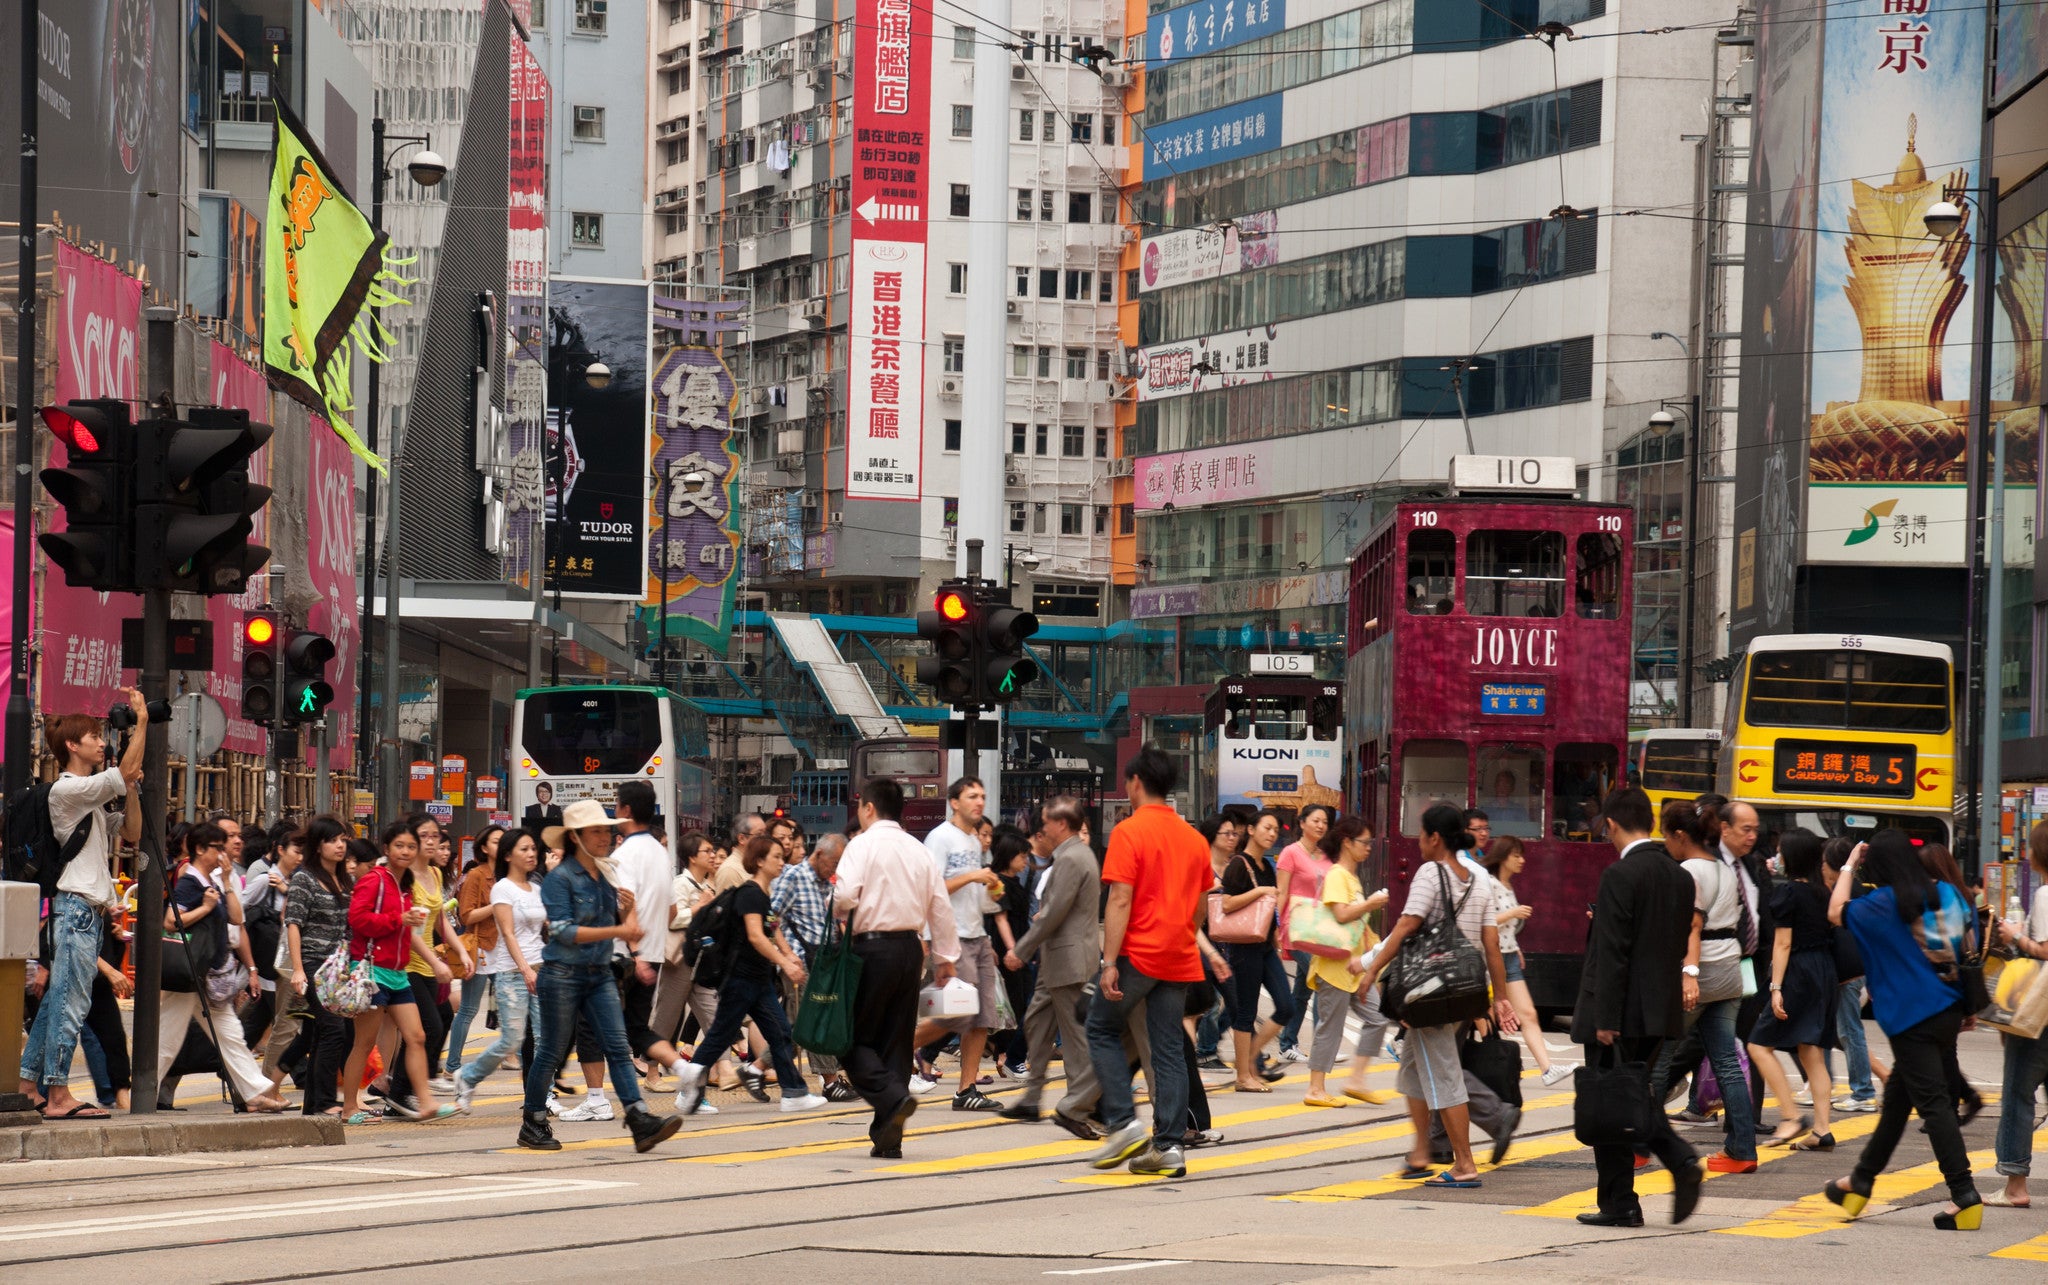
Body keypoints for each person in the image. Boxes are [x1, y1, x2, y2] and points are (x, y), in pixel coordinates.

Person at [1821, 829, 1982, 1230]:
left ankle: (1964, 1195)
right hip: (1948, 1007)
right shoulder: (1946, 893)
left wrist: (1848, 865)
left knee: (1934, 1105)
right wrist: (1967, 1005)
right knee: (1896, 1102)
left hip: (1911, 1017)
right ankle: (1860, 1182)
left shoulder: (1880, 903)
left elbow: (1835, 910)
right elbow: (1967, 947)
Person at [1356, 803, 1519, 1190]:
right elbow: (1491, 944)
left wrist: (1373, 969)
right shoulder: (1478, 879)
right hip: (1462, 989)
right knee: (1413, 1068)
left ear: (1434, 838)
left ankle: (1464, 1164)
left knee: (1443, 1075)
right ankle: (1421, 1152)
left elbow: (1405, 927)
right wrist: (1500, 997)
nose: (1417, 841)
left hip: (1429, 994)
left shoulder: (1430, 873)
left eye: (1421, 834)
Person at [1568, 786, 1703, 1228]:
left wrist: (1605, 1018)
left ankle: (1632, 1194)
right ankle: (1632, 1194)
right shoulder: (1679, 876)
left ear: (1610, 824)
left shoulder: (1619, 876)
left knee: (1610, 1107)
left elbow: (1614, 952)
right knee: (1633, 1101)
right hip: (1657, 1011)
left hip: (1618, 1012)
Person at [518, 799, 684, 1152]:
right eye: (597, 831)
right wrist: (620, 931)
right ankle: (533, 1121)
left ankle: (639, 1119)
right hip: (562, 974)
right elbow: (562, 931)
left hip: (600, 974)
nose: (606, 836)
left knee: (618, 1049)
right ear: (576, 837)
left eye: (608, 830)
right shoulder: (559, 879)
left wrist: (628, 915)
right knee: (550, 1051)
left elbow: (626, 923)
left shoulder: (608, 873)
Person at [1083, 748, 1211, 1179]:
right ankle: (1169, 1146)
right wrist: (1183, 936)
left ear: (1136, 782)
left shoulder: (1130, 831)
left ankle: (1121, 1123)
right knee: (1169, 1049)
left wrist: (1109, 961)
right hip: (1179, 955)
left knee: (1100, 1028)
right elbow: (1200, 906)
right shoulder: (1194, 838)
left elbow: (1119, 897)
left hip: (1140, 952)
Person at [17, 694, 145, 1119]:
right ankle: (57, 1095)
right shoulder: (68, 792)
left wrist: (130, 788)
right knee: (71, 1006)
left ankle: (26, 1085)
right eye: (94, 737)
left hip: (84, 911)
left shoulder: (88, 801)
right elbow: (122, 769)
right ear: (72, 746)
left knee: (58, 1002)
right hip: (73, 910)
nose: (100, 742)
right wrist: (141, 723)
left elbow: (131, 830)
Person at [831, 779, 960, 1159]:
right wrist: (945, 958)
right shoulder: (917, 849)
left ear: (869, 808)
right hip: (910, 949)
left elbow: (845, 894)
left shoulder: (862, 845)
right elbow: (940, 905)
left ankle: (893, 1097)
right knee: (896, 1042)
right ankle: (889, 1134)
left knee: (851, 1039)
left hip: (871, 949)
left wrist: (838, 907)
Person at [673, 835, 827, 1115]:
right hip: (740, 980)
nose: (782, 862)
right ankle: (687, 1088)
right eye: (776, 857)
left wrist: (787, 952)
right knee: (721, 1035)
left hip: (757, 980)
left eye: (783, 856)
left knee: (781, 1033)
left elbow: (772, 926)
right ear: (759, 861)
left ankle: (794, 1092)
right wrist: (786, 962)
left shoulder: (762, 894)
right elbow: (756, 936)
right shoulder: (750, 893)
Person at [1656, 798, 1762, 1173]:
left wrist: (1689, 973)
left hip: (1701, 970)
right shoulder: (1724, 869)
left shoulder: (1689, 870)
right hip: (1731, 968)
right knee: (1727, 1064)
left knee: (1660, 1057)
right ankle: (1741, 1151)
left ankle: (1638, 1145)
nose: (1666, 842)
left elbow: (1693, 925)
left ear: (1681, 835)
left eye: (1667, 835)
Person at [157, 821, 288, 1113]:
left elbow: (236, 918)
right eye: (217, 846)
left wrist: (228, 882)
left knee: (231, 1037)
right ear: (201, 850)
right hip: (193, 973)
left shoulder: (212, 881)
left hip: (209, 976)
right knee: (169, 1038)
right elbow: (170, 920)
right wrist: (204, 908)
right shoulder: (191, 881)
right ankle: (140, 1090)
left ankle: (255, 1092)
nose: (223, 851)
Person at [1000, 795, 1103, 1138]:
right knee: (1036, 1025)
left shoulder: (1073, 858)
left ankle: (1081, 1108)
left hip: (1068, 960)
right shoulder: (1068, 856)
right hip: (1055, 960)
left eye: (1045, 824)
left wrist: (1020, 949)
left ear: (1061, 824)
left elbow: (1055, 912)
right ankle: (1032, 1097)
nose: (1041, 830)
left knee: (1075, 1042)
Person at [341, 820, 453, 1124]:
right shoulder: (375, 879)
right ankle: (350, 1106)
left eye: (410, 847)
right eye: (399, 846)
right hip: (373, 971)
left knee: (416, 1036)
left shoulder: (405, 885)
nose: (406, 851)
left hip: (398, 972)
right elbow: (358, 920)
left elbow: (410, 930)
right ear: (387, 849)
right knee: (364, 1043)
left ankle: (426, 1101)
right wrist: (397, 919)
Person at [1746, 829, 1838, 1150]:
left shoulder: (1788, 894)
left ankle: (1790, 1116)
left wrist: (1775, 987)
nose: (1777, 858)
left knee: (1758, 1045)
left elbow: (1783, 944)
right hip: (1824, 971)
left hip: (1798, 972)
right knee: (1811, 1051)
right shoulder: (1823, 892)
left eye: (1782, 853)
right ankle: (1822, 1130)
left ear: (1792, 857)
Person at [918, 776, 1006, 1111]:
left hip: (977, 935)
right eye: (972, 796)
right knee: (955, 1015)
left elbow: (976, 896)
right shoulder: (940, 837)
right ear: (954, 802)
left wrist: (991, 890)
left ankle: (966, 1089)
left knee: (982, 1018)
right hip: (951, 937)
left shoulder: (973, 840)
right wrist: (973, 876)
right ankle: (898, 1051)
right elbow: (932, 888)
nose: (979, 802)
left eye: (982, 796)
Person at [452, 830, 546, 1112]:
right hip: (512, 972)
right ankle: (467, 1077)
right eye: (524, 849)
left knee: (544, 1039)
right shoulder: (502, 888)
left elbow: (547, 926)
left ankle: (542, 1099)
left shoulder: (538, 889)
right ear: (508, 855)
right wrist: (525, 970)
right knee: (512, 1040)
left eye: (533, 849)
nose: (531, 854)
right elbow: (508, 933)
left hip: (542, 967)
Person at [1302, 816, 1392, 1107]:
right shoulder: (1337, 875)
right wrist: (1370, 904)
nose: (1368, 847)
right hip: (1334, 967)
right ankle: (1315, 1088)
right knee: (1331, 1027)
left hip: (1355, 968)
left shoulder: (1351, 878)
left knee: (1377, 1019)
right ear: (1347, 843)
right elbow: (1341, 914)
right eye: (1364, 842)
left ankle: (1356, 1080)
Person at [384, 815, 469, 1112]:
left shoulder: (433, 874)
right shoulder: (404, 877)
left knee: (439, 1021)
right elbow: (409, 928)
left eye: (436, 835)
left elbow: (439, 919)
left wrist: (461, 950)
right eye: (425, 835)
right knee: (427, 1028)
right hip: (407, 963)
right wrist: (436, 962)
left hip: (428, 963)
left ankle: (401, 1090)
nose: (433, 841)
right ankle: (399, 1093)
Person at [610, 780, 691, 1090]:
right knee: (636, 1028)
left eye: (617, 804)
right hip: (654, 954)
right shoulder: (660, 853)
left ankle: (599, 1096)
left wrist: (635, 951)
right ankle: (680, 1069)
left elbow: (624, 903)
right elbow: (671, 911)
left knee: (599, 1027)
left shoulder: (627, 853)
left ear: (626, 810)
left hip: (627, 956)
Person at [1990, 818, 2048, 1208]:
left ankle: (2015, 1186)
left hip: (2041, 1010)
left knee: (2017, 1092)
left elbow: (2045, 949)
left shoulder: (2046, 894)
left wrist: (2014, 936)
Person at [1211, 812, 1291, 1092]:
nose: (1272, 833)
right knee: (1246, 1013)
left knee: (1286, 1005)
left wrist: (1276, 931)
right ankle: (1244, 1076)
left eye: (1275, 829)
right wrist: (1260, 892)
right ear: (1252, 830)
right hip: (1243, 947)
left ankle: (1249, 1060)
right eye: (1266, 828)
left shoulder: (1267, 865)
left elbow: (1271, 905)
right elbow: (1227, 904)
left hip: (1265, 946)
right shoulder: (1238, 864)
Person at [1483, 837, 1572, 1087]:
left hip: (1509, 957)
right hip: (1490, 959)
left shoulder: (1507, 885)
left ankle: (1548, 1069)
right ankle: (1482, 1069)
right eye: (1516, 856)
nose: (1522, 861)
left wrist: (1517, 948)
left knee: (1529, 1014)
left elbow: (1507, 929)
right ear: (1503, 857)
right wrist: (1513, 913)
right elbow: (1483, 921)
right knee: (1485, 1018)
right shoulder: (1488, 883)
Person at [285, 816, 354, 1115]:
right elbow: (293, 924)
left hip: (338, 969)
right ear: (318, 845)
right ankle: (325, 1101)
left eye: (342, 840)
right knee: (333, 1031)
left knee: (319, 1033)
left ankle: (313, 1106)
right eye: (332, 840)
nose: (340, 846)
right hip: (314, 965)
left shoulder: (344, 879)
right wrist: (298, 969)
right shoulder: (304, 878)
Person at [773, 830, 849, 1095]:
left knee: (798, 1025)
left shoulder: (827, 883)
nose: (835, 869)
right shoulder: (794, 876)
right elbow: (772, 917)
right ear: (818, 854)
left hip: (824, 961)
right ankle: (830, 1082)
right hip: (799, 960)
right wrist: (786, 955)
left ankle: (755, 1068)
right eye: (834, 863)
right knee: (815, 1019)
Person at [1823, 836, 1882, 1114]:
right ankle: (1832, 1086)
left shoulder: (1844, 891)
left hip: (1848, 972)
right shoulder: (1858, 889)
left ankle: (1863, 1092)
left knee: (1849, 1031)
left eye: (1824, 862)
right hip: (1855, 969)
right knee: (1842, 1030)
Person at [1272, 804, 1333, 1062]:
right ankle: (1322, 1045)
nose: (1321, 825)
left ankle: (1288, 1043)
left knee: (1302, 990)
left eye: (1325, 822)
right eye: (1316, 820)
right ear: (1303, 822)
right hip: (1295, 927)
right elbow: (1281, 891)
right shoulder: (1290, 853)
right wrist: (1276, 925)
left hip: (1319, 930)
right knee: (1321, 980)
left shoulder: (1327, 855)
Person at [446, 826, 507, 1075]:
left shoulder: (509, 875)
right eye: (496, 841)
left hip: (505, 949)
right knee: (469, 1009)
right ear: (484, 848)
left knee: (513, 1007)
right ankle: (452, 1066)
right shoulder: (477, 876)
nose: (502, 846)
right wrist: (497, 904)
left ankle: (517, 1058)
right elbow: (467, 914)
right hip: (482, 948)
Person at [984, 827, 1036, 1080]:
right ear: (1009, 856)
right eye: (1022, 857)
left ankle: (1005, 1055)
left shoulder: (1015, 881)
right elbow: (1001, 917)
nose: (1025, 861)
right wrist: (1013, 949)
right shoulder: (998, 882)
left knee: (1017, 1005)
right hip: (1007, 952)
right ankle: (1005, 1056)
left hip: (1019, 949)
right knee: (1012, 1006)